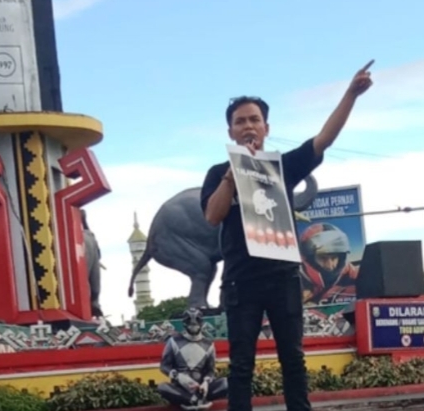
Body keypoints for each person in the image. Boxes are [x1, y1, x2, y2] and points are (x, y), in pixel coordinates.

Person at [200, 60, 374, 411]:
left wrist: (351, 95)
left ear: (266, 127)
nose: (248, 126)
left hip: (283, 277)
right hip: (240, 281)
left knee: (292, 360)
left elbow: (323, 140)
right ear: (230, 131)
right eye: (240, 121)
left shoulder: (281, 167)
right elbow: (212, 216)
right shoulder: (218, 173)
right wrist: (233, 174)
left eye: (254, 120)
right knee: (241, 364)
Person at [157, 308, 228, 410]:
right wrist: (178, 376)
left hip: (202, 388)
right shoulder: (173, 341)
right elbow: (164, 366)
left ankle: (195, 399)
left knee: (226, 382)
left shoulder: (208, 344)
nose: (193, 326)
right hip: (181, 387)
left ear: (201, 323)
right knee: (162, 387)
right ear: (185, 324)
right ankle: (193, 399)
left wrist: (206, 383)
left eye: (196, 323)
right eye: (191, 324)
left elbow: (210, 370)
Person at [298, 222, 359, 305]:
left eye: (334, 258)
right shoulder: (294, 283)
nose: (329, 265)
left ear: (341, 258)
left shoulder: (353, 275)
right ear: (309, 258)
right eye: (323, 258)